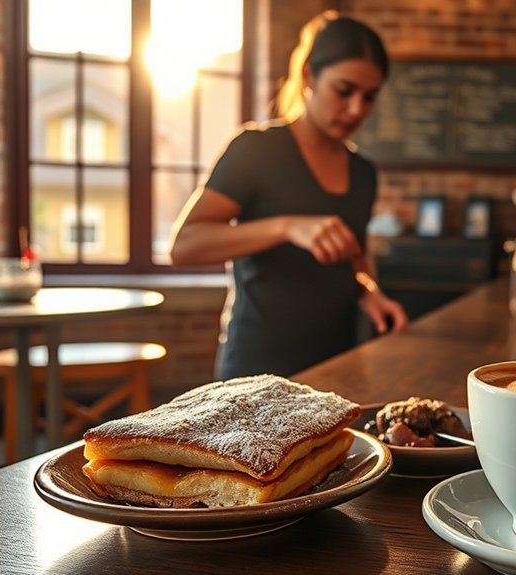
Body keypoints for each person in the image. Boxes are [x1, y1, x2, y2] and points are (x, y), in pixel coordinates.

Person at [169, 11, 407, 380]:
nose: (357, 109)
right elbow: (184, 246)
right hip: (257, 370)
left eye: (370, 97)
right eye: (344, 91)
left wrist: (370, 293)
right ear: (310, 75)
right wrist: (286, 227)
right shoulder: (256, 149)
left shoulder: (364, 172)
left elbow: (354, 257)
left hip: (337, 365)